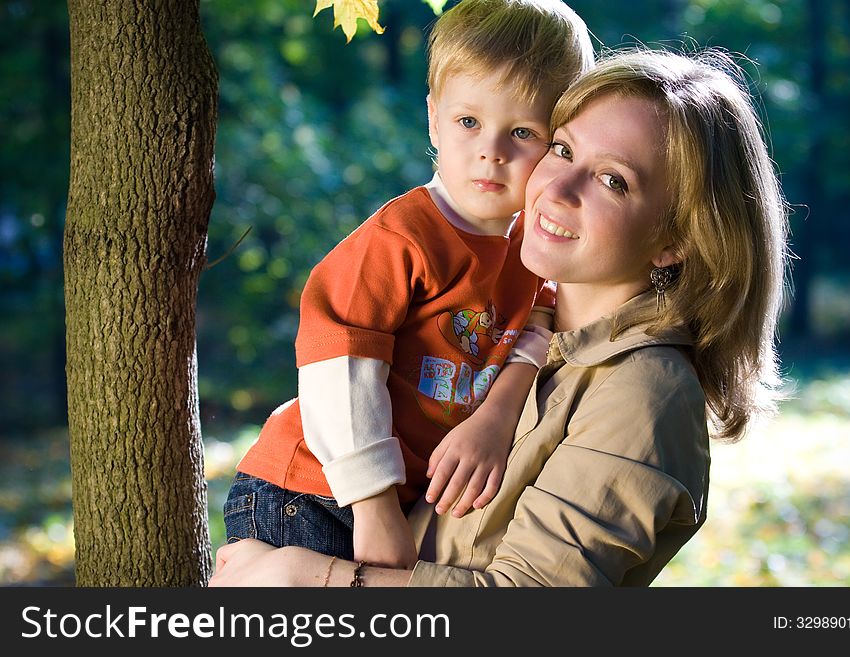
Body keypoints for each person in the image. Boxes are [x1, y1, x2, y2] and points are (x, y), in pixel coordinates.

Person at [209, 45, 790, 587]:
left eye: (614, 180)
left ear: (675, 240)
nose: (557, 187)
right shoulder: (522, 320)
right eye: (562, 149)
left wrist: (302, 578)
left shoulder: (644, 393)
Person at [222, 0, 595, 570]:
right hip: (316, 489)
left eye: (523, 131)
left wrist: (496, 418)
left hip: (398, 497)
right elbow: (339, 365)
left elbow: (540, 324)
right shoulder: (404, 236)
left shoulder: (531, 247)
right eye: (468, 122)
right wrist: (372, 507)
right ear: (433, 120)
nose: (490, 151)